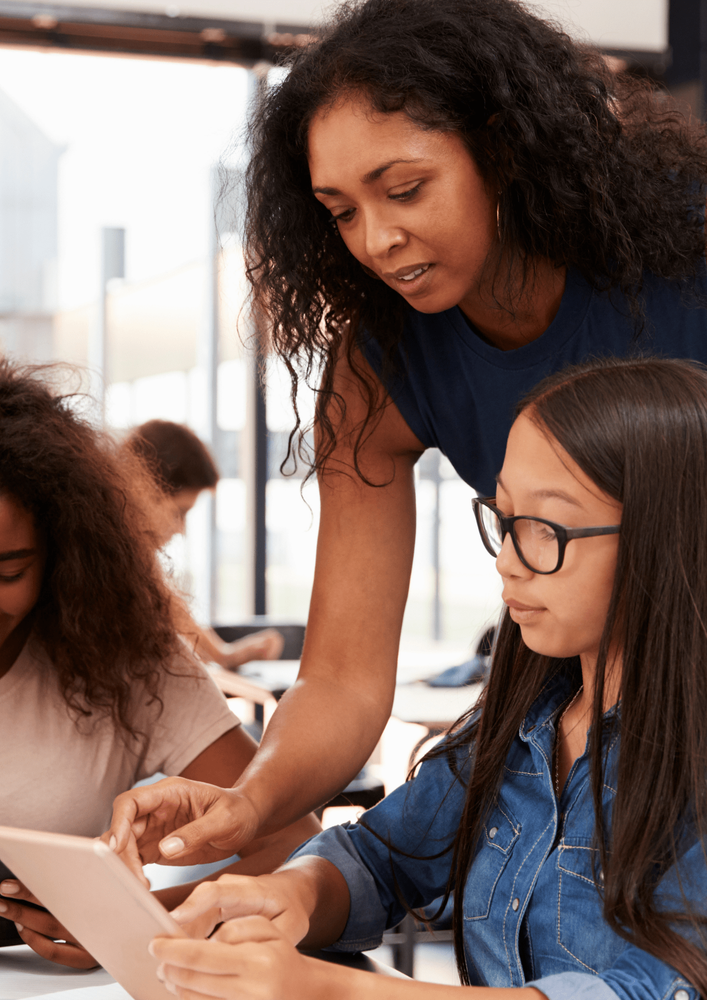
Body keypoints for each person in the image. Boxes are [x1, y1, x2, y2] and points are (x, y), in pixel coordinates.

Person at [106, 0, 707, 872]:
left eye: (405, 189)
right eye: (341, 211)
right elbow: (344, 678)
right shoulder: (377, 368)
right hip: (600, 725)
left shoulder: (686, 257)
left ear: (501, 150)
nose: (378, 241)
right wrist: (251, 804)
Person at [149, 355, 707, 1000]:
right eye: (503, 519)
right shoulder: (517, 732)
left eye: (543, 528)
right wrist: (285, 895)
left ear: (672, 536)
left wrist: (332, 990)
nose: (506, 562)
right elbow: (377, 858)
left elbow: (651, 990)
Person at [0, 362, 319, 969]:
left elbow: (295, 840)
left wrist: (135, 921)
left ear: (62, 553)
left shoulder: (126, 661)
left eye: (8, 572)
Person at [126, 419, 284, 670]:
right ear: (142, 490)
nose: (181, 530)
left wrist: (225, 655)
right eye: (179, 512)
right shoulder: (100, 557)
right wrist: (224, 655)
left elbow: (166, 601)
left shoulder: (133, 561)